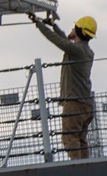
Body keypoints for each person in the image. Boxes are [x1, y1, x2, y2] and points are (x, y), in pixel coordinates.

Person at [29, 14, 97, 160]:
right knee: (80, 139)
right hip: (87, 104)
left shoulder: (77, 50)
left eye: (74, 28)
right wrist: (53, 25)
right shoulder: (86, 51)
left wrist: (38, 24)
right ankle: (86, 167)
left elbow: (59, 41)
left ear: (79, 31)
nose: (71, 29)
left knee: (70, 138)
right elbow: (65, 41)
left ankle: (77, 169)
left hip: (75, 103)